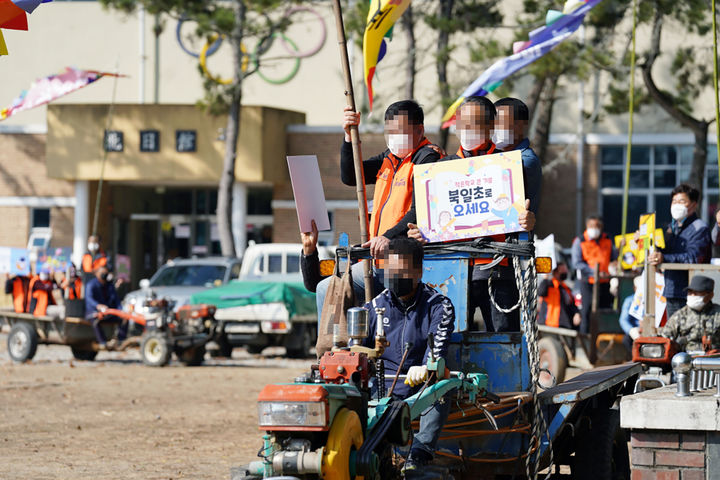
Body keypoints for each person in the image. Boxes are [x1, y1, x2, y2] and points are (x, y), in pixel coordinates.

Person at [408, 96, 538, 332]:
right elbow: (426, 222)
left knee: (504, 343)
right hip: (451, 273)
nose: (466, 130)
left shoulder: (511, 167)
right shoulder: (440, 170)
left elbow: (525, 216)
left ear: (491, 127)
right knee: (448, 342)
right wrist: (421, 232)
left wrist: (528, 221)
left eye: (475, 124)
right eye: (462, 123)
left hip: (498, 271)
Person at [315, 100, 442, 317]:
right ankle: (342, 347)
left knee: (326, 288)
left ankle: (330, 348)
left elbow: (421, 208)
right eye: (389, 131)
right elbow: (350, 176)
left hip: (402, 259)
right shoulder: (389, 159)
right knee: (330, 286)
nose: (394, 137)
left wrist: (388, 237)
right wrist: (348, 137)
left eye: (400, 131)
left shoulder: (427, 157)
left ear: (419, 130)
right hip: (378, 257)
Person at [361, 237, 455, 471]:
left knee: (442, 384)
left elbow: (437, 349)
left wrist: (426, 367)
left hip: (422, 389)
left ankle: (419, 455)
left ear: (419, 270)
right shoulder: (373, 308)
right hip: (383, 390)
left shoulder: (439, 306)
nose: (395, 278)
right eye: (390, 271)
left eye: (402, 271)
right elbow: (357, 353)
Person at [649, 184, 711, 319]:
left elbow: (693, 258)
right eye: (674, 201)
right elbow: (668, 253)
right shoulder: (673, 228)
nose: (676, 205)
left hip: (693, 293)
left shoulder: (700, 228)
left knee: (691, 336)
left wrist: (664, 258)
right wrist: (649, 245)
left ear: (694, 204)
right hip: (672, 289)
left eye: (682, 201)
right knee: (674, 336)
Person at [571, 215, 617, 334]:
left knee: (605, 311)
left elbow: (614, 258)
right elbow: (576, 263)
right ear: (587, 226)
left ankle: (602, 339)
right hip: (588, 282)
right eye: (592, 226)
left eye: (597, 226)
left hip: (605, 282)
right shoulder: (580, 241)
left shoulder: (607, 239)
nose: (595, 228)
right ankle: (586, 339)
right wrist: (594, 272)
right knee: (586, 312)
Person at [659, 275, 720, 353]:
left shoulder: (718, 313)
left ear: (710, 295)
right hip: (686, 359)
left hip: (714, 359)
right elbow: (665, 338)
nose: (692, 296)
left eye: (697, 293)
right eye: (690, 292)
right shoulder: (680, 315)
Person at [85, 265, 125, 348]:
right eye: (102, 273)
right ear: (97, 274)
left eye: (106, 273)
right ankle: (103, 342)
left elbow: (116, 299)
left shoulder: (109, 286)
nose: (104, 275)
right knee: (95, 320)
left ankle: (121, 340)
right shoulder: (91, 285)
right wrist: (98, 306)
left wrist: (121, 311)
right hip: (94, 311)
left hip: (108, 312)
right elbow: (89, 299)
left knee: (124, 319)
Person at [538, 262, 581, 329]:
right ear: (555, 272)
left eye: (565, 270)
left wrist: (576, 313)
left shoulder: (566, 289)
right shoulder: (548, 284)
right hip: (548, 323)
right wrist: (545, 277)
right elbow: (541, 292)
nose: (565, 272)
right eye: (562, 270)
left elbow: (571, 305)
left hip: (563, 325)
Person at [619, 275, 644, 357]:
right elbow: (623, 320)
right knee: (626, 340)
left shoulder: (654, 301)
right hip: (636, 331)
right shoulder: (629, 300)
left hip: (650, 331)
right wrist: (632, 331)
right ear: (635, 288)